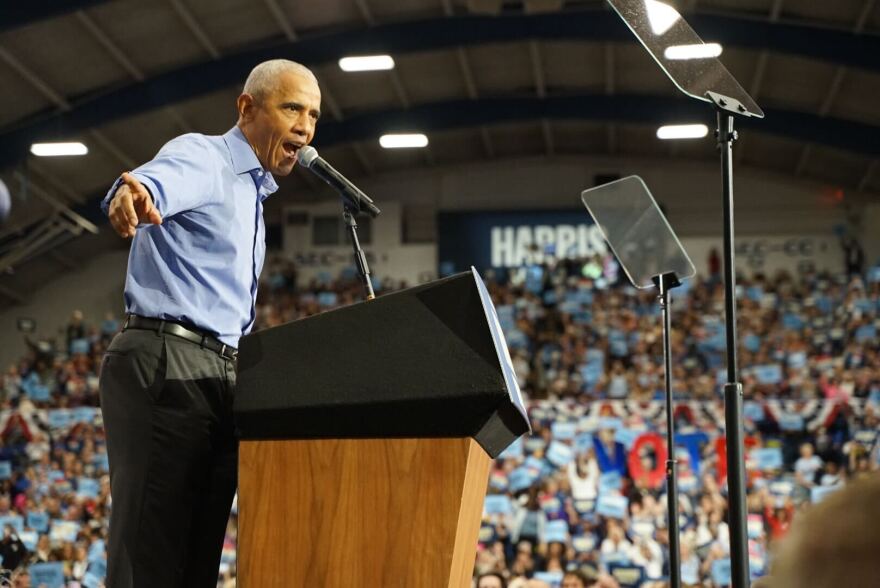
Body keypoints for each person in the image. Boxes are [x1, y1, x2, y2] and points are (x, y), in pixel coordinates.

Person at [98, 59, 321, 587]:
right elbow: (150, 183)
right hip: (167, 361)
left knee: (195, 561)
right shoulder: (206, 157)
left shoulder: (253, 194)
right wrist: (131, 195)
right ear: (247, 107)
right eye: (292, 108)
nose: (306, 127)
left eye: (313, 115)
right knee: (148, 555)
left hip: (219, 375)